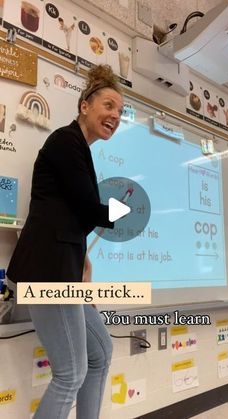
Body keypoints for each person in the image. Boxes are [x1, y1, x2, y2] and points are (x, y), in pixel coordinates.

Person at [7, 64, 124, 419]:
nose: (115, 116)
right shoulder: (65, 141)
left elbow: (70, 214)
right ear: (84, 106)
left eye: (120, 112)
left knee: (100, 353)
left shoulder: (79, 148)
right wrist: (125, 212)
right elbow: (89, 208)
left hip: (63, 273)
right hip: (46, 274)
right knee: (70, 374)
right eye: (108, 106)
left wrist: (83, 261)